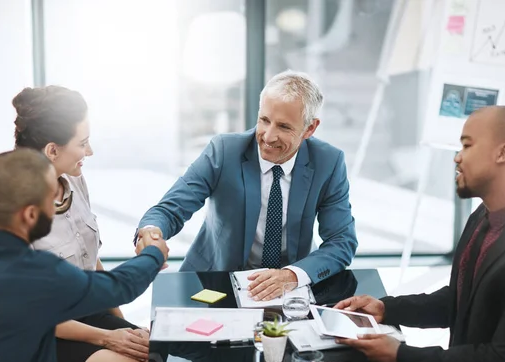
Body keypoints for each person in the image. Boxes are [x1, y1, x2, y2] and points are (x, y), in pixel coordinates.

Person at [334, 106, 505, 362]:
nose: (457, 156)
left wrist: (402, 355)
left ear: (503, 153)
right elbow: (462, 300)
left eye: (467, 145)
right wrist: (386, 309)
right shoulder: (485, 216)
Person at [135, 70, 358, 301]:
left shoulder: (328, 162)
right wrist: (151, 232)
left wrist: (292, 275)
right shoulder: (224, 151)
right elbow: (171, 208)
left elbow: (342, 242)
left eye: (283, 127)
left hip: (289, 289)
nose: (268, 136)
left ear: (310, 129)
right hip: (215, 280)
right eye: (264, 120)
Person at [0, 149, 169, 362]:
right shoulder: (36, 271)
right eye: (50, 200)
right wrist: (153, 254)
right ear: (31, 215)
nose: (56, 208)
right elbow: (121, 286)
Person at [11, 86, 165, 362]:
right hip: (47, 334)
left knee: (163, 355)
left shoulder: (74, 179)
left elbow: (90, 263)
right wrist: (107, 337)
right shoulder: (16, 210)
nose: (90, 152)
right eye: (82, 143)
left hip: (89, 315)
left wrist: (120, 324)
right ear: (52, 150)